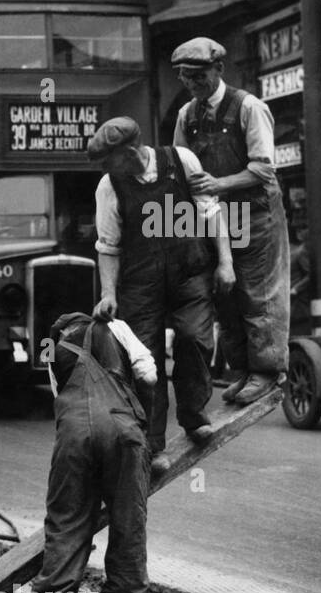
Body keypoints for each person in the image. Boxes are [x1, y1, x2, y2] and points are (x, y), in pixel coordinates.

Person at [89, 116, 234, 467]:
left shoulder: (180, 161)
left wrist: (225, 262)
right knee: (145, 362)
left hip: (190, 272)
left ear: (128, 152)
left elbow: (212, 212)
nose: (106, 168)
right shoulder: (109, 187)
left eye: (109, 159)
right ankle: (153, 444)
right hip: (141, 281)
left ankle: (194, 415)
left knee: (194, 338)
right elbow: (108, 246)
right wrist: (108, 293)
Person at [172, 37, 289, 405]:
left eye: (199, 76)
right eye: (186, 77)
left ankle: (266, 371)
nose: (193, 84)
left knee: (258, 293)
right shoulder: (186, 116)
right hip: (218, 219)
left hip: (256, 214)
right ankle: (240, 370)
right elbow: (180, 168)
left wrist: (218, 183)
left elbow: (263, 169)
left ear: (219, 69)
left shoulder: (248, 107)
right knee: (227, 295)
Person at [31, 311, 157, 593]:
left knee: (66, 520)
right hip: (121, 431)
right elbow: (148, 375)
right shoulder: (116, 327)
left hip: (73, 437)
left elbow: (59, 397)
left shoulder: (52, 349)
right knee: (128, 520)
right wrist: (148, 434)